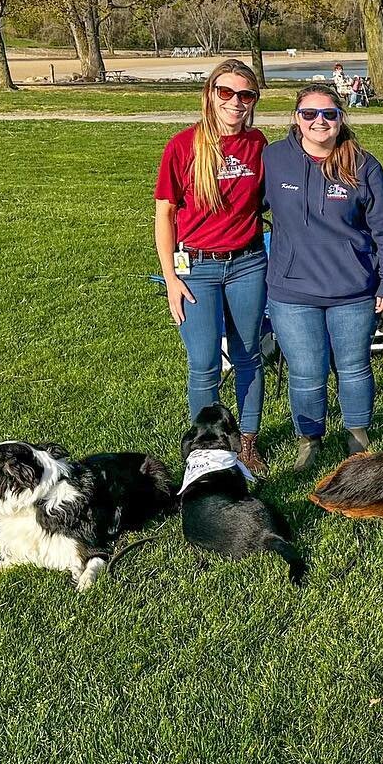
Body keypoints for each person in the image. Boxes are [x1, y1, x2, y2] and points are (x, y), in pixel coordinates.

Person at [264, 85, 383, 471]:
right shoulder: (274, 159)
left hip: (353, 291)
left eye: (328, 113)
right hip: (292, 291)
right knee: (306, 371)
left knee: (354, 366)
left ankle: (357, 437)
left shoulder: (363, 164)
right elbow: (244, 205)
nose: (319, 122)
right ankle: (309, 440)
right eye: (309, 114)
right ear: (297, 118)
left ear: (341, 118)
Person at [154, 59, 270, 473]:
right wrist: (171, 278)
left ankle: (248, 442)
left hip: (248, 263)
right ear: (210, 94)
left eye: (245, 95)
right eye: (226, 93)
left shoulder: (258, 144)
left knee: (248, 354)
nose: (235, 102)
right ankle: (206, 450)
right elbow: (164, 213)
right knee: (203, 363)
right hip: (196, 268)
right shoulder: (183, 145)